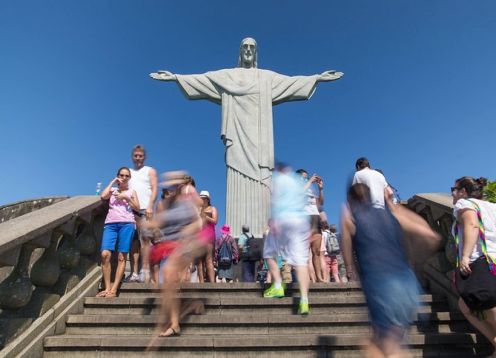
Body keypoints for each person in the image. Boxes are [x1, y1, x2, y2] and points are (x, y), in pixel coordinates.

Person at [150, 37, 343, 239]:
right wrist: (175, 78)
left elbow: (291, 82)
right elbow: (204, 79)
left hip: (260, 142)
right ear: (240, 52)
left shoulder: (266, 77)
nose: (249, 50)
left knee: (262, 183)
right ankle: (235, 235)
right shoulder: (228, 76)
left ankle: (262, 234)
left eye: (252, 47)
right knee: (236, 177)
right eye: (245, 47)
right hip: (237, 138)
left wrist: (316, 78)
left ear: (256, 52)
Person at [341, 183, 439, 357]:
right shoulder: (392, 213)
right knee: (384, 344)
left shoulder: (351, 219)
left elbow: (347, 255)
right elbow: (431, 237)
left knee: (385, 348)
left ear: (350, 200)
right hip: (406, 282)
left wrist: (350, 271)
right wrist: (414, 261)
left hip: (380, 284)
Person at [142, 171, 205, 339]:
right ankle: (176, 322)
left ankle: (185, 310)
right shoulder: (163, 205)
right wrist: (147, 223)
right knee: (169, 285)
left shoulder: (187, 202)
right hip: (168, 247)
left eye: (175, 183)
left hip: (185, 246)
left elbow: (198, 223)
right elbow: (158, 223)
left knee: (171, 274)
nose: (171, 187)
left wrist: (187, 231)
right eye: (169, 183)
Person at [451, 176, 496, 357]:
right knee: (465, 305)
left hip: (481, 260)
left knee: (487, 302)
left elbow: (471, 224)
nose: (453, 193)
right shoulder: (492, 206)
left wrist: (465, 256)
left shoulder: (464, 203)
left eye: (454, 189)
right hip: (493, 258)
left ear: (463, 191)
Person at [264, 163, 311, 315]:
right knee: (301, 262)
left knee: (269, 252)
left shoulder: (278, 179)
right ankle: (304, 300)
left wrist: (274, 219)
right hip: (301, 222)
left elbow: (275, 200)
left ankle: (278, 285)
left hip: (284, 218)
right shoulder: (298, 182)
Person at [97, 167, 140, 298]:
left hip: (127, 224)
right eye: (121, 175)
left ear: (129, 178)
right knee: (105, 254)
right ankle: (107, 287)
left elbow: (137, 207)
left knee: (122, 257)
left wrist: (126, 198)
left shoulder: (132, 191)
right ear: (117, 176)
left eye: (127, 176)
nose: (124, 177)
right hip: (110, 224)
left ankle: (113, 290)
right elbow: (103, 196)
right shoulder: (112, 190)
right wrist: (112, 182)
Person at [126, 145, 158, 283]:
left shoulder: (150, 170)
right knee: (133, 242)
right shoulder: (129, 172)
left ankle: (145, 270)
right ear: (132, 157)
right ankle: (134, 272)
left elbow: (155, 188)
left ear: (144, 157)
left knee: (146, 241)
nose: (138, 158)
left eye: (140, 155)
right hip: (130, 210)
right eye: (135, 155)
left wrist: (151, 205)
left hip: (146, 209)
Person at [296, 169, 325, 282]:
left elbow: (321, 203)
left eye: (307, 178)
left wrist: (321, 189)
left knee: (316, 251)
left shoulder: (310, 189)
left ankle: (319, 277)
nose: (306, 179)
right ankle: (306, 278)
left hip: (315, 218)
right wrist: (309, 181)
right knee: (304, 252)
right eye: (304, 177)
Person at [198, 191, 217, 283]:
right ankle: (201, 283)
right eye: (201, 197)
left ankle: (212, 283)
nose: (202, 199)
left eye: (204, 197)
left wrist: (206, 217)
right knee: (199, 261)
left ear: (208, 199)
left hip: (209, 235)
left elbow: (215, 221)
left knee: (208, 259)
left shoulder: (212, 208)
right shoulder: (198, 209)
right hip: (199, 236)